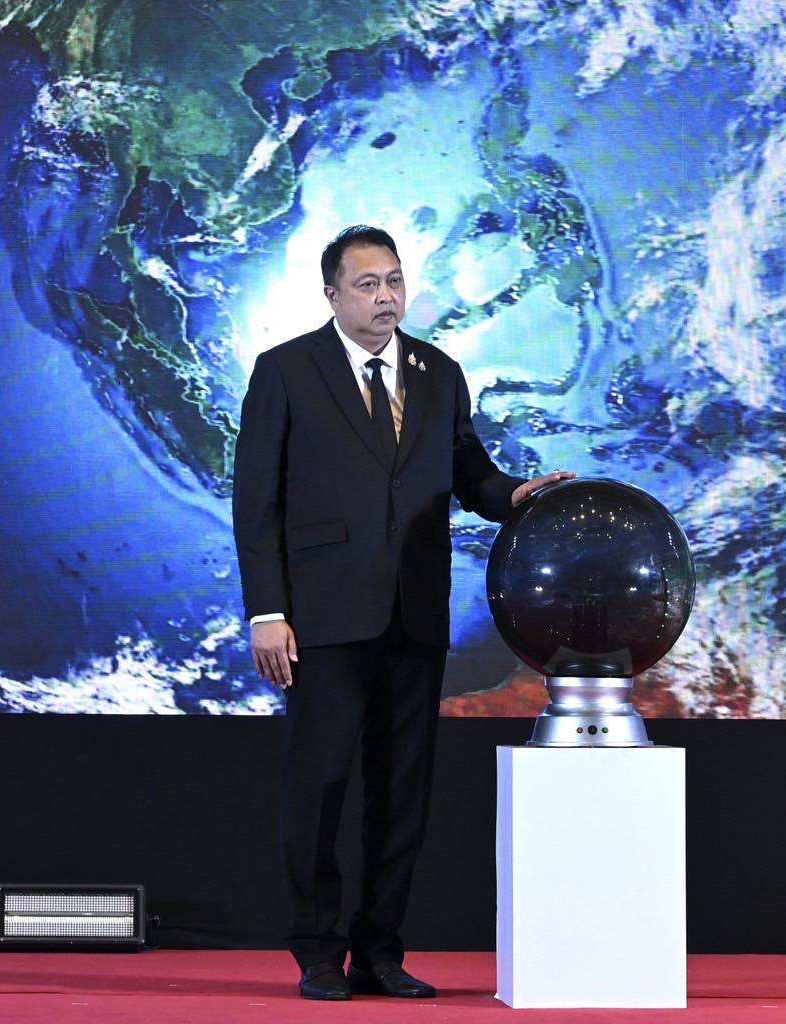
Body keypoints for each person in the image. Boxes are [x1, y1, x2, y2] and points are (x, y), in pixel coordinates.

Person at [232, 225, 570, 1000]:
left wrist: (514, 494)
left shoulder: (438, 372)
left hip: (413, 617)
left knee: (402, 793)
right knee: (320, 786)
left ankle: (380, 951)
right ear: (331, 294)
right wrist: (267, 612)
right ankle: (318, 952)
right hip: (321, 620)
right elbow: (257, 505)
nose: (385, 297)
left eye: (393, 281)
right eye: (367, 285)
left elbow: (470, 473)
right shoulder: (285, 371)